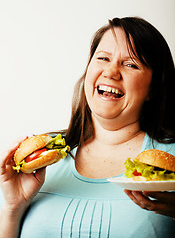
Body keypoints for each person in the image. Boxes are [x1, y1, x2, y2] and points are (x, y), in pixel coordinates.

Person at [0, 16, 175, 238]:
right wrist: (13, 207)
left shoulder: (170, 164)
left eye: (131, 64)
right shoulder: (40, 162)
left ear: (153, 88)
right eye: (103, 58)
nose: (111, 72)